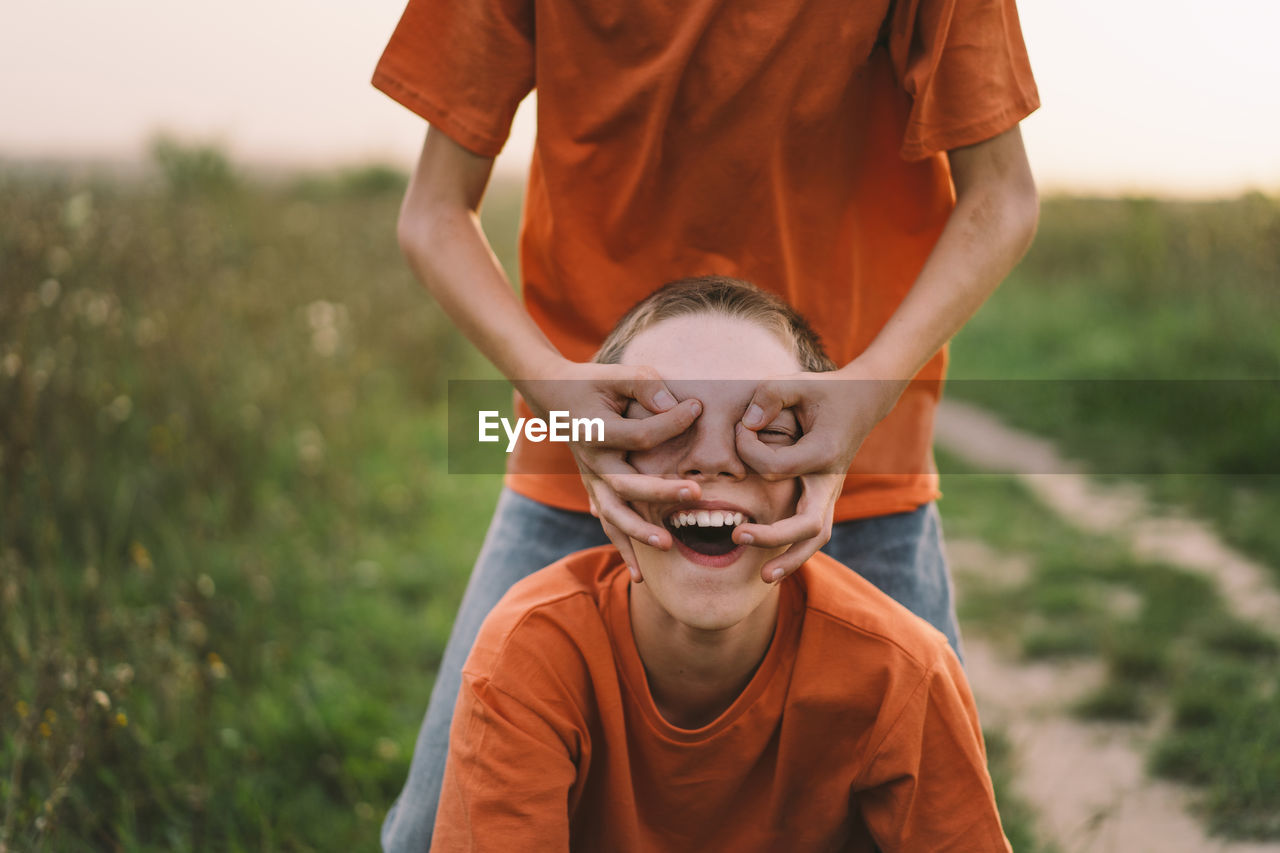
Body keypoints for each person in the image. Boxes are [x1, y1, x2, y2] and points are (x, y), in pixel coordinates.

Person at [373, 0, 1040, 847]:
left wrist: (864, 395)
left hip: (851, 457)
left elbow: (1004, 197)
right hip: (590, 456)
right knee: (429, 831)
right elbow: (433, 210)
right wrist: (558, 398)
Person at [432, 277, 1011, 851]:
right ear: (602, 465)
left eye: (769, 429)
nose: (712, 459)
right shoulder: (527, 657)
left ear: (818, 477)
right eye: (665, 427)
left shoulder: (905, 674)